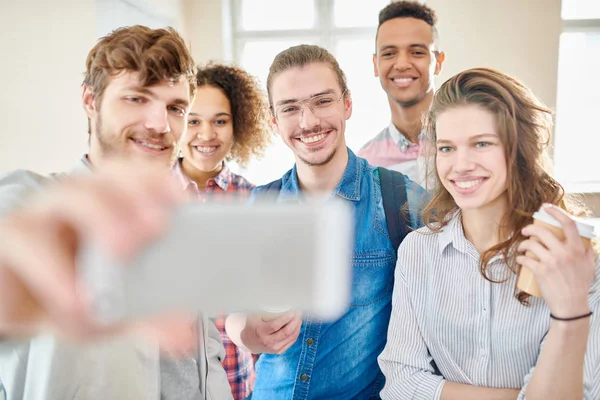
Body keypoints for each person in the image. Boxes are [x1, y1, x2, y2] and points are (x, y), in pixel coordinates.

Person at [0, 25, 232, 400]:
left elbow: (204, 360)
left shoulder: (181, 225)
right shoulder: (32, 202)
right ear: (91, 101)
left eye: (175, 108)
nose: (160, 125)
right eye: (137, 98)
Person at [378, 67, 600, 399]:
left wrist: (570, 309)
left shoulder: (577, 258)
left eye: (481, 143)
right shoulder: (417, 251)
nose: (461, 165)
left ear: (519, 150)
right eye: (447, 148)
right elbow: (400, 384)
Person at [225, 44, 425, 399]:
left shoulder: (400, 200)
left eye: (322, 101)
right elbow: (236, 311)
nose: (308, 121)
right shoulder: (261, 204)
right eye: (290, 108)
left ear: (347, 104)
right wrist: (250, 333)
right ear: (274, 121)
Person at [173, 62, 271, 399]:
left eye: (220, 121)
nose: (206, 134)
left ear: (237, 126)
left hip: (238, 382)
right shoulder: (150, 199)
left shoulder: (255, 201)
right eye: (193, 121)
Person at [359, 1, 445, 185]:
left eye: (416, 52)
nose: (402, 64)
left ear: (438, 62)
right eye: (389, 53)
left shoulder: (467, 143)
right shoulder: (366, 165)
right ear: (375, 64)